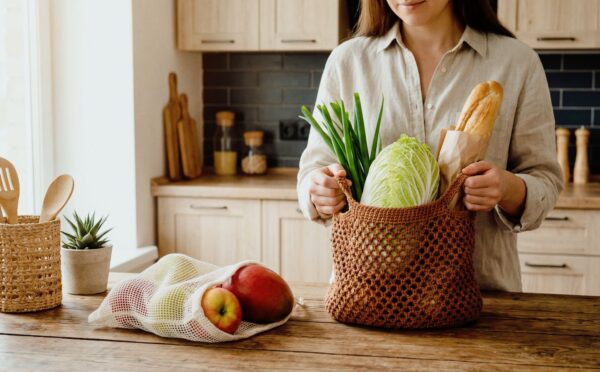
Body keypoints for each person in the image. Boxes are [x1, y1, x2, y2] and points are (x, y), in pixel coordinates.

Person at [297, 0, 563, 292]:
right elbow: (312, 170)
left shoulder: (516, 62)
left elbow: (544, 180)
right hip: (368, 294)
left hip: (481, 300)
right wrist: (318, 189)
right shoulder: (347, 62)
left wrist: (508, 188)